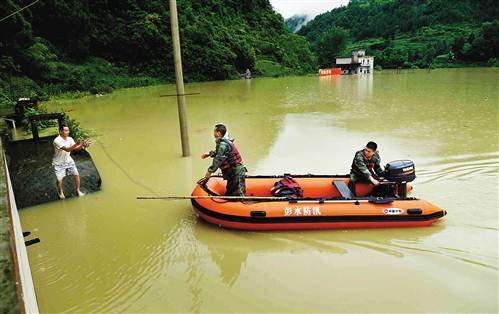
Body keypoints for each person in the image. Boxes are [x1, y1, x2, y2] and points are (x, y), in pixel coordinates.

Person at [201, 124, 247, 196]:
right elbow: (221, 153)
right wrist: (209, 153)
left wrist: (210, 171)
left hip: (235, 171)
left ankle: (241, 205)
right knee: (232, 190)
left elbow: (219, 158)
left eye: (214, 131)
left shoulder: (223, 144)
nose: (213, 133)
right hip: (234, 171)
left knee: (236, 192)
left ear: (218, 133)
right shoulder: (225, 141)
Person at [52, 125, 90, 199]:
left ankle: (78, 191)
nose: (68, 132)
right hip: (59, 162)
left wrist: (83, 145)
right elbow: (67, 149)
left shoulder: (70, 139)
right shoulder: (57, 140)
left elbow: (75, 148)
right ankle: (60, 192)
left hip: (68, 160)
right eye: (66, 130)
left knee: (76, 174)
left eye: (68, 130)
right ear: (60, 131)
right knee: (59, 179)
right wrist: (77, 144)